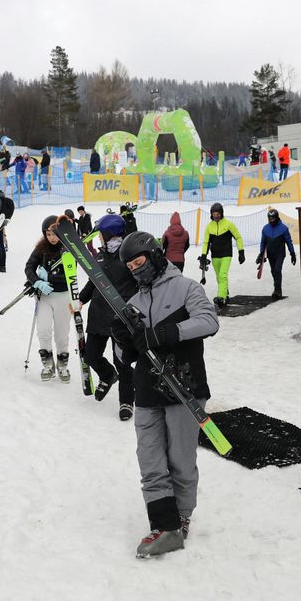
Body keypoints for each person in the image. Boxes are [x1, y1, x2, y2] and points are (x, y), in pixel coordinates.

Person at [109, 231, 219, 558]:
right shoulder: (134, 303)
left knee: (180, 459)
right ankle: (164, 523)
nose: (136, 270)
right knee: (150, 458)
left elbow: (208, 321)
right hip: (147, 390)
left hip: (184, 387)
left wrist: (167, 332)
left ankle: (182, 516)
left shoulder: (186, 288)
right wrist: (123, 341)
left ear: (156, 256)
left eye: (140, 263)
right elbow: (124, 356)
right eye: (130, 267)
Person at [76, 214, 138, 420]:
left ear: (110, 234)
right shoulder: (99, 256)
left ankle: (126, 402)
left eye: (101, 234)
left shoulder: (128, 254)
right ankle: (107, 375)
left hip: (121, 318)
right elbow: (93, 282)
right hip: (99, 315)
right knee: (91, 355)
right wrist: (82, 299)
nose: (99, 238)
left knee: (123, 362)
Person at [24, 216, 73, 382]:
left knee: (61, 334)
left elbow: (70, 276)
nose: (52, 238)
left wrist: (50, 278)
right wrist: (37, 281)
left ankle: (62, 365)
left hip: (63, 296)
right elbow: (29, 267)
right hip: (44, 296)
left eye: (55, 234)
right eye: (48, 234)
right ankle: (47, 364)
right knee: (43, 330)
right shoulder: (41, 248)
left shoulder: (68, 249)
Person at [200, 202, 245, 308]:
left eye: (218, 214)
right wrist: (203, 255)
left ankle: (221, 297)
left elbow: (238, 237)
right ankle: (226, 293)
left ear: (221, 213)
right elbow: (206, 242)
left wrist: (241, 252)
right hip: (215, 255)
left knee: (222, 275)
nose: (216, 216)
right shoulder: (209, 226)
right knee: (218, 277)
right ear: (211, 214)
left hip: (226, 254)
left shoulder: (228, 224)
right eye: (214, 214)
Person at [258, 208, 296, 300]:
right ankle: (276, 288)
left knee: (277, 270)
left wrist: (292, 253)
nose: (271, 220)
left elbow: (289, 241)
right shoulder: (265, 229)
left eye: (273, 219)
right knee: (273, 271)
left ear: (277, 218)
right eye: (270, 219)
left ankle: (277, 290)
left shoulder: (283, 228)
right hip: (271, 254)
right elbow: (263, 242)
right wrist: (261, 254)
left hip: (280, 254)